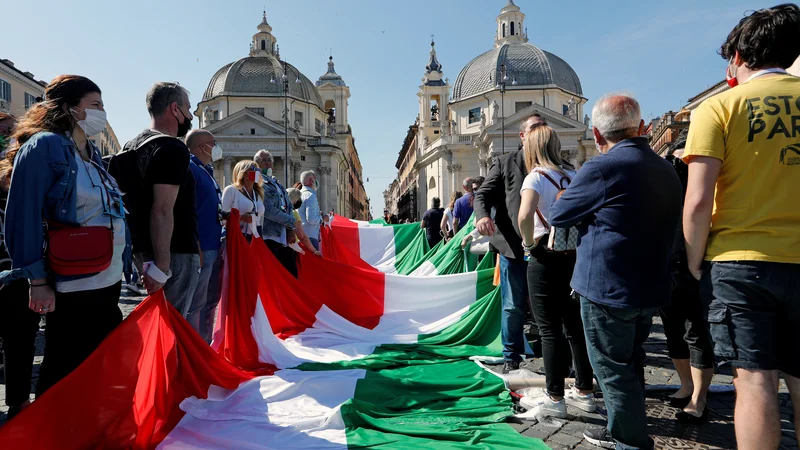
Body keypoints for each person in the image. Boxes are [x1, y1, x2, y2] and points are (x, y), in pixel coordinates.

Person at [682, 5, 800, 448]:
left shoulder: (718, 108)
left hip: (740, 261)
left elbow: (697, 200)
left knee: (754, 383)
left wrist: (695, 261)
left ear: (737, 55)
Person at [550, 94, 682, 449]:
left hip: (607, 286)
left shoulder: (602, 167)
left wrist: (567, 201)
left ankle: (629, 440)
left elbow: (560, 216)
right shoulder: (664, 167)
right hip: (650, 285)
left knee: (612, 369)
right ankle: (618, 425)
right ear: (641, 127)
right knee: (632, 361)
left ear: (596, 133)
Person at [0, 75, 127, 398]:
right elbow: (23, 214)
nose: (102, 112)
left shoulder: (91, 153)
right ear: (72, 109)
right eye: (95, 105)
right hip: (73, 281)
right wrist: (37, 282)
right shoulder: (44, 146)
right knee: (65, 368)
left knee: (96, 365)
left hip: (106, 278)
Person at [517, 124, 595, 419]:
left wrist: (527, 244)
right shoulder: (574, 176)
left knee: (549, 329)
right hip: (573, 255)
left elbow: (525, 215)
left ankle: (555, 397)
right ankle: (585, 392)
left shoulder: (535, 177)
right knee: (576, 328)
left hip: (544, 257)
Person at [112, 82, 200, 318]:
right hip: (174, 253)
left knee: (160, 325)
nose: (191, 116)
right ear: (174, 109)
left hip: (143, 251)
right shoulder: (172, 148)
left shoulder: (129, 148)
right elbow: (161, 209)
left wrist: (147, 261)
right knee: (174, 327)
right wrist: (161, 266)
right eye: (188, 109)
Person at [474, 114, 547, 373]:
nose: (540, 132)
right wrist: (482, 215)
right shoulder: (505, 163)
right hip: (514, 248)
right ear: (523, 136)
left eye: (543, 127)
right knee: (513, 305)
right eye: (535, 128)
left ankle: (554, 353)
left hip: (547, 249)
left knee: (548, 305)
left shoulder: (552, 165)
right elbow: (482, 194)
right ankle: (511, 355)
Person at [659, 134, 715, 424]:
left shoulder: (709, 176)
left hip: (699, 262)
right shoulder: (665, 177)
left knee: (697, 331)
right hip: (669, 261)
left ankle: (699, 398)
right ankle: (687, 386)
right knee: (673, 329)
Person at [0, 112, 40, 420]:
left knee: (21, 339)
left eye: (10, 133)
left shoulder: (22, 170)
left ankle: (18, 401)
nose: (6, 138)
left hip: (18, 270)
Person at [185, 129, 223, 337]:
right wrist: (196, 244)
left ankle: (205, 341)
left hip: (213, 244)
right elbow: (188, 210)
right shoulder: (191, 169)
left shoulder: (205, 170)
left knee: (210, 300)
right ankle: (196, 344)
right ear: (202, 146)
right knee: (196, 302)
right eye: (213, 143)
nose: (216, 147)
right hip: (202, 246)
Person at [253, 150, 297, 277]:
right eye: (263, 160)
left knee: (290, 274)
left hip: (282, 237)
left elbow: (288, 205)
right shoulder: (259, 183)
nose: (267, 163)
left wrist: (290, 229)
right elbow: (269, 210)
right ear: (256, 164)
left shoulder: (276, 183)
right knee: (273, 275)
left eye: (269, 160)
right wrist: (291, 221)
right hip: (269, 236)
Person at [221, 160, 265, 242]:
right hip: (238, 237)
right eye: (252, 168)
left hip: (255, 238)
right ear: (242, 172)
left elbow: (260, 219)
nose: (256, 171)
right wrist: (241, 217)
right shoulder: (231, 190)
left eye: (257, 169)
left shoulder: (258, 194)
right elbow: (222, 217)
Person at [286, 188, 322, 256]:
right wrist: (314, 251)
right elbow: (302, 236)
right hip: (291, 249)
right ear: (295, 199)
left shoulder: (282, 212)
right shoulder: (294, 214)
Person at [297, 170, 322, 251]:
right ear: (311, 181)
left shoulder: (298, 194)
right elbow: (311, 219)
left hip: (300, 235)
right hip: (310, 237)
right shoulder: (310, 196)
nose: (316, 181)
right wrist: (322, 220)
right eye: (315, 179)